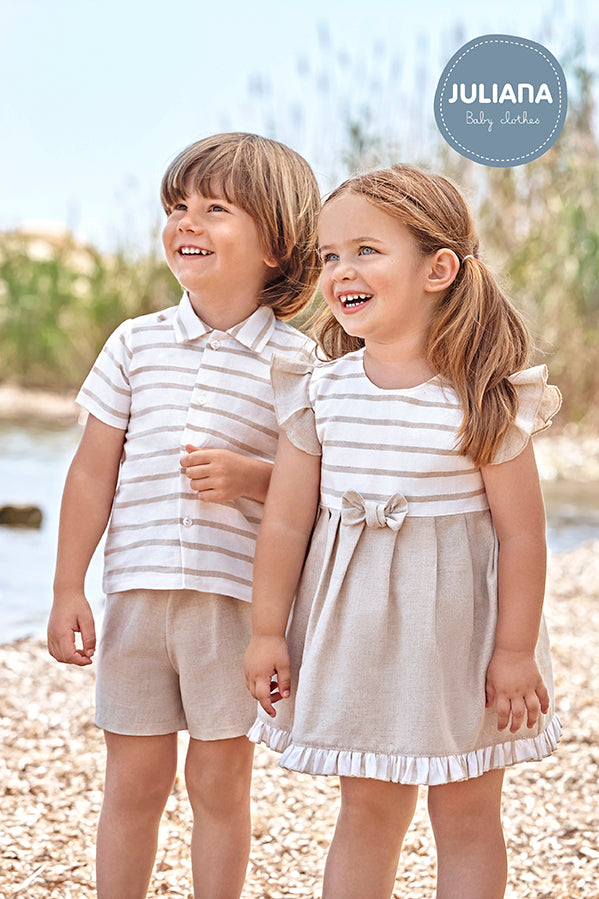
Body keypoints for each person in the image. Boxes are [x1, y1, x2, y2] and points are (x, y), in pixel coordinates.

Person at [244, 165, 562, 899]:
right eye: (327, 255)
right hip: (357, 634)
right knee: (367, 806)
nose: (339, 270)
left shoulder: (485, 398)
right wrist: (266, 630)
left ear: (438, 269)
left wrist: (513, 652)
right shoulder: (319, 391)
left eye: (365, 250)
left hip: (463, 637)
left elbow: (521, 536)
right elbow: (288, 521)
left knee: (468, 810)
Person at [47, 132, 321, 899]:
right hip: (135, 595)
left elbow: (317, 491)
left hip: (233, 604)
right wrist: (70, 585)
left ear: (276, 243)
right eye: (177, 206)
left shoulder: (297, 364)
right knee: (132, 781)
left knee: (219, 781)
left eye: (214, 208)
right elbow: (91, 471)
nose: (186, 222)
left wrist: (251, 475)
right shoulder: (135, 343)